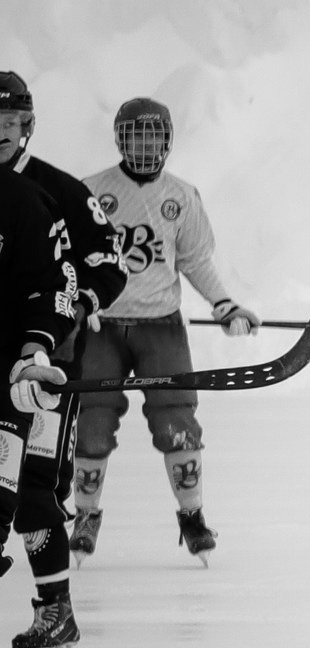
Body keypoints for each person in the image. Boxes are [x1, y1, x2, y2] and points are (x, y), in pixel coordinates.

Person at [73, 98, 261, 567]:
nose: (144, 146)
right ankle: (85, 516)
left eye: (152, 136)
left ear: (167, 140)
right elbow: (68, 257)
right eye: (135, 136)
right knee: (92, 422)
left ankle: (192, 516)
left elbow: (195, 260)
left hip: (162, 328)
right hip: (101, 326)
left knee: (177, 421)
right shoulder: (90, 191)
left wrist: (224, 304)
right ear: (119, 139)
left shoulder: (182, 195)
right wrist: (68, 308)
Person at [0, 72, 128, 648]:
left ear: (27, 127)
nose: (1, 136)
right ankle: (58, 612)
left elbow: (108, 263)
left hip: (52, 367)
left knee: (33, 487)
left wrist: (81, 303)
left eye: (10, 125)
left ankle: (56, 608)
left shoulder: (59, 191)